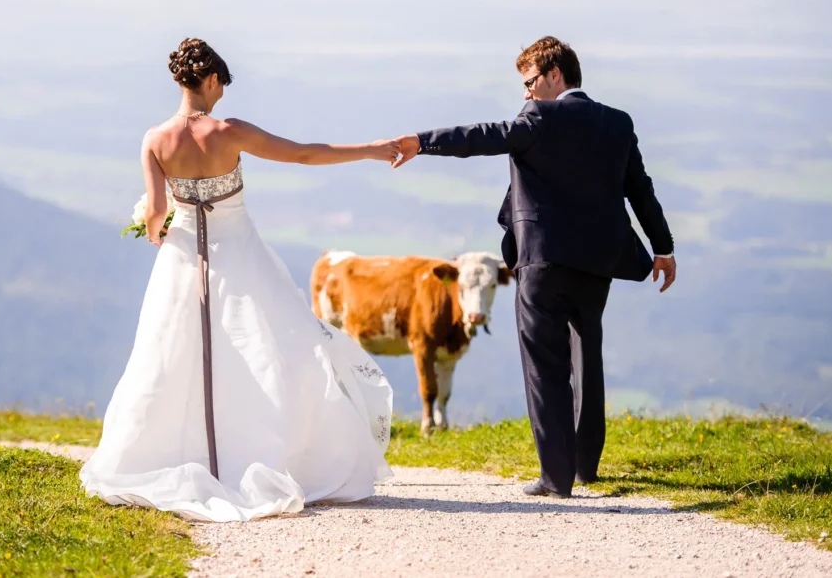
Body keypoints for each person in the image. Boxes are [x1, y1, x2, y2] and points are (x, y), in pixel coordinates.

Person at [79, 38, 399, 521]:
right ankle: (272, 455)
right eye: (222, 85)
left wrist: (154, 230)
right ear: (211, 80)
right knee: (271, 350)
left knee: (170, 358)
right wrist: (371, 150)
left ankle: (174, 456)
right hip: (241, 257)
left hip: (181, 262)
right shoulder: (229, 131)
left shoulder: (154, 140)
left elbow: (158, 211)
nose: (222, 94)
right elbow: (304, 155)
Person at [391, 36, 676, 498]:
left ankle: (555, 477)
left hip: (542, 262)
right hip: (597, 262)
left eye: (529, 82)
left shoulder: (539, 117)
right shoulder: (618, 123)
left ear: (554, 75)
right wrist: (662, 247)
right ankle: (585, 467)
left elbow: (483, 136)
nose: (525, 92)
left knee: (544, 366)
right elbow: (639, 189)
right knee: (587, 356)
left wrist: (422, 143)